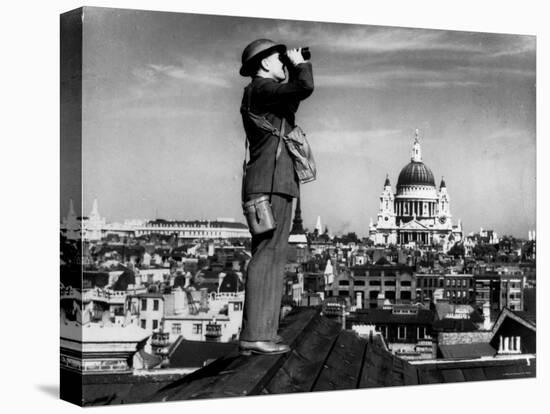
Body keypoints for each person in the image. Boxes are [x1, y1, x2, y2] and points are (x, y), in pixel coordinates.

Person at [238, 39, 314, 355]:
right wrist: (299, 64)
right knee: (266, 256)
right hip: (269, 185)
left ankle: (264, 334)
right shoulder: (260, 88)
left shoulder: (268, 96)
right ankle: (254, 334)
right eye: (278, 58)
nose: (283, 62)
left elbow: (293, 100)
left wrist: (293, 68)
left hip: (278, 184)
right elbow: (304, 87)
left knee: (274, 258)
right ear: (264, 63)